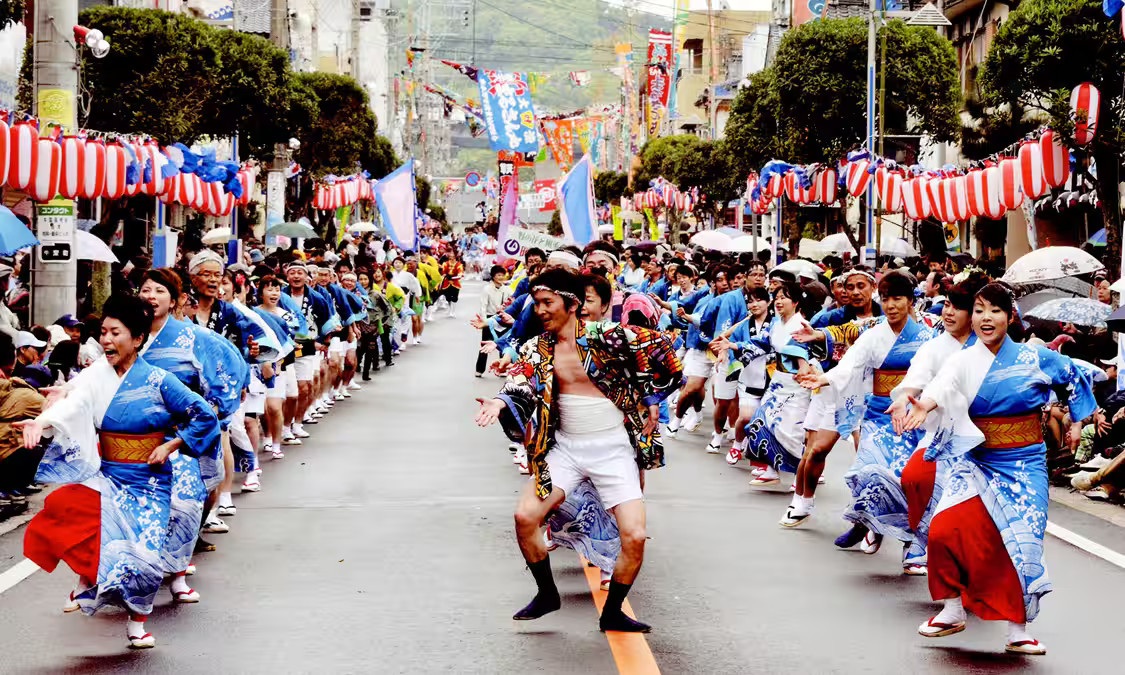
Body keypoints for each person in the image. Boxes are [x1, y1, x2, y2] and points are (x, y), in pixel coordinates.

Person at [474, 267, 682, 633]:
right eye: (535, 303)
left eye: (546, 302)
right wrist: (499, 402)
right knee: (525, 517)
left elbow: (664, 351)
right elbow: (519, 380)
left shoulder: (611, 337)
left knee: (634, 536)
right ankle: (546, 593)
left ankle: (614, 611)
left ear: (570, 304)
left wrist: (651, 396)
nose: (538, 310)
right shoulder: (536, 348)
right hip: (566, 450)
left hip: (614, 450)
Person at [898, 282, 1096, 655]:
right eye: (979, 310)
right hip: (978, 461)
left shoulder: (1034, 358)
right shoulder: (963, 359)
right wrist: (924, 405)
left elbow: (1075, 376)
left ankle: (1017, 630)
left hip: (1024, 464)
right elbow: (941, 385)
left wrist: (1077, 421)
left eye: (994, 311)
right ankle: (953, 608)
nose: (985, 318)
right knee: (942, 531)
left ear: (1010, 317)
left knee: (1021, 544)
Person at [20, 294, 221, 649]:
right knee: (65, 510)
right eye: (103, 332)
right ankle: (89, 579)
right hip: (109, 473)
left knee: (143, 557)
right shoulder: (96, 374)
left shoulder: (160, 380)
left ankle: (137, 624)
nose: (107, 340)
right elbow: (76, 403)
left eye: (116, 332)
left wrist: (173, 444)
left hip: (149, 479)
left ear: (137, 338)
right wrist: (44, 420)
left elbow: (203, 415)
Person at [797, 272, 935, 562]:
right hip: (878, 414)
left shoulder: (928, 336)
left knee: (909, 481)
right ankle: (863, 523)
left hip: (911, 416)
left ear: (911, 301)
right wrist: (824, 379)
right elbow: (850, 364)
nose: (891, 305)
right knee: (866, 471)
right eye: (885, 299)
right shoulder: (873, 334)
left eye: (898, 298)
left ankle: (913, 544)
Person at [476, 264, 512, 377]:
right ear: (493, 276)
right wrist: (484, 321)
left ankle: (502, 368)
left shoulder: (507, 289)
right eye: (498, 275)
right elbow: (483, 306)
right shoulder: (487, 289)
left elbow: (512, 302)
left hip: (503, 318)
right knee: (485, 343)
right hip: (489, 318)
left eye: (503, 275)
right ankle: (479, 369)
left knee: (504, 343)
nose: (501, 277)